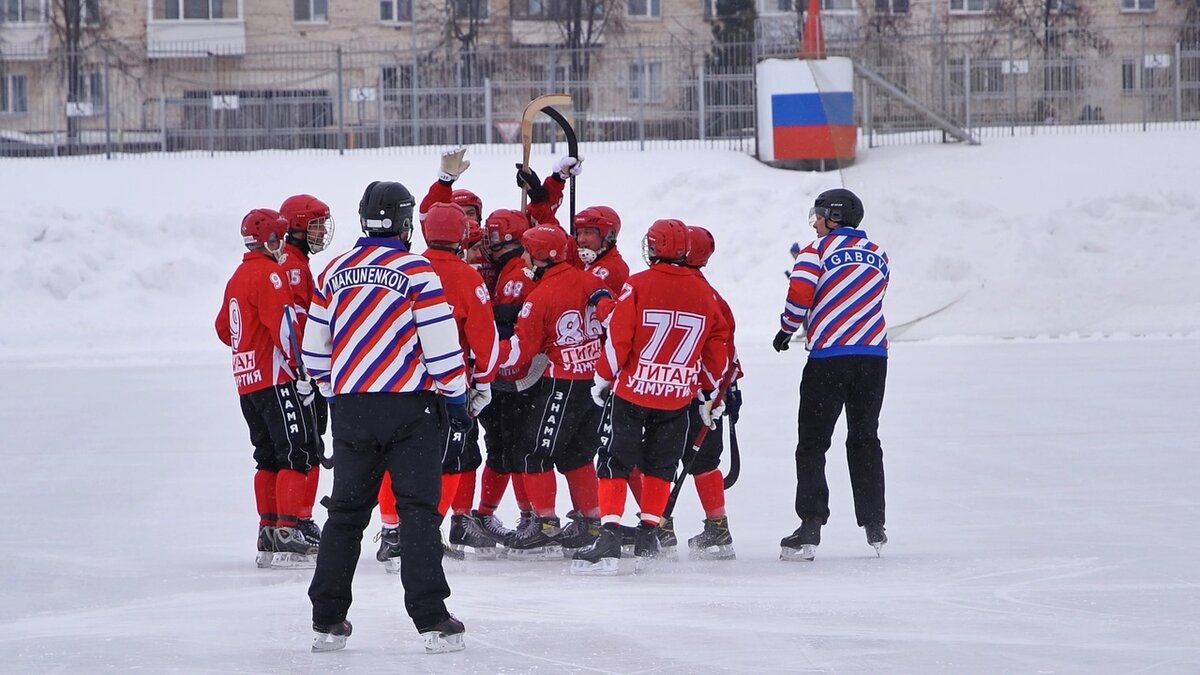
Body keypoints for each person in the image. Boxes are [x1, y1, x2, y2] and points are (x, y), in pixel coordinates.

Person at [304, 180, 467, 654]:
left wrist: (337, 394)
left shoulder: (333, 270)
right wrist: (456, 398)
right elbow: (440, 345)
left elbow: (315, 352)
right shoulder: (417, 270)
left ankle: (326, 619)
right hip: (408, 409)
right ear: (403, 222)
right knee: (418, 513)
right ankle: (432, 619)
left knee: (346, 514)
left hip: (352, 408)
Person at [572, 218, 730, 576]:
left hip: (633, 392)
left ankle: (610, 533)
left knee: (615, 460)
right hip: (676, 396)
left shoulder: (638, 284)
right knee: (662, 464)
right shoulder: (706, 292)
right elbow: (717, 344)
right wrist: (706, 387)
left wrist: (603, 376)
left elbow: (619, 335)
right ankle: (648, 533)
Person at [374, 202, 500, 566]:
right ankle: (426, 532)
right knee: (451, 461)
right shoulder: (467, 278)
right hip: (447, 387)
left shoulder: (404, 269)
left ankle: (391, 532)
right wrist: (485, 381)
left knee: (393, 460)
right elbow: (485, 339)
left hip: (396, 382)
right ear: (462, 237)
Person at [772, 188, 890, 562]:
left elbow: (801, 292)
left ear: (832, 217)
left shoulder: (815, 251)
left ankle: (810, 525)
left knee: (812, 442)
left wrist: (786, 329)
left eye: (818, 215)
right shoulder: (878, 254)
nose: (815, 223)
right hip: (873, 356)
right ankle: (875, 523)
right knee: (864, 438)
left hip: (829, 358)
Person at [214, 208, 321, 570]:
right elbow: (285, 330)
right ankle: (288, 530)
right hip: (276, 380)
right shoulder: (271, 275)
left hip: (247, 383)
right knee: (294, 452)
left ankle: (269, 528)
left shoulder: (238, 275)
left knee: (267, 455)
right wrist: (302, 372)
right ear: (271, 240)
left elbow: (223, 330)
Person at [496, 225, 608, 559]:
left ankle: (545, 523)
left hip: (564, 383)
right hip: (594, 383)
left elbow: (521, 354)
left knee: (533, 453)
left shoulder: (539, 297)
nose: (524, 259)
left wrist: (483, 357)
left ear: (542, 257)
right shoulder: (589, 279)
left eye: (528, 252)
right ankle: (591, 521)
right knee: (577, 454)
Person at [678, 225, 742, 561]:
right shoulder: (710, 293)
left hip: (690, 391)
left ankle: (660, 524)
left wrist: (710, 391)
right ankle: (717, 526)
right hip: (708, 390)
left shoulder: (696, 294)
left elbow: (719, 348)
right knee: (704, 460)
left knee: (662, 457)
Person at [278, 193, 335, 548]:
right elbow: (297, 321)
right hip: (298, 374)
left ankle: (300, 518)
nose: (321, 232)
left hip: (292, 372)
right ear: (297, 227)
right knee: (305, 447)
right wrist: (306, 370)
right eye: (315, 225)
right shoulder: (295, 268)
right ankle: (296, 520)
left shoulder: (295, 262)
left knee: (306, 447)